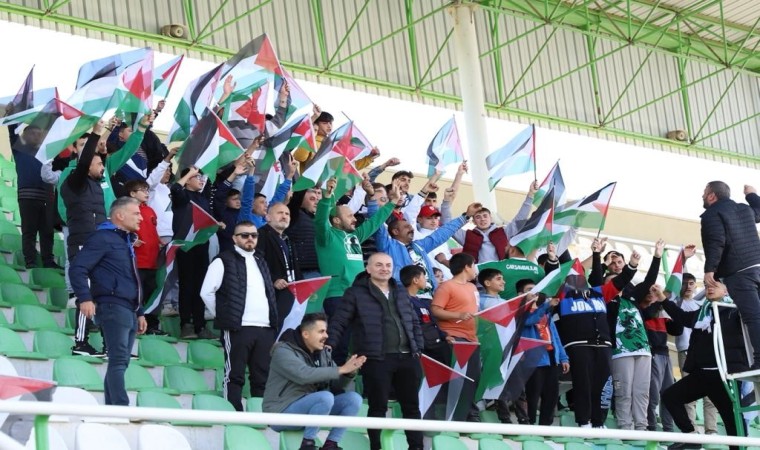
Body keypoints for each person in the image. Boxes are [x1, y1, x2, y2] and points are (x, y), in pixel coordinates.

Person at [326, 253, 424, 450]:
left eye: (388, 265)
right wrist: (330, 343)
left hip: (407, 357)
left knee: (412, 408)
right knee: (377, 407)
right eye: (378, 265)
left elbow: (413, 321)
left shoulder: (401, 291)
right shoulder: (355, 293)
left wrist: (418, 346)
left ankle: (416, 447)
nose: (384, 269)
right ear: (368, 269)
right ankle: (376, 447)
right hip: (376, 358)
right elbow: (339, 321)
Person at [68, 197, 147, 405]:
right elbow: (77, 268)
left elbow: (131, 279)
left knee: (120, 362)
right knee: (119, 360)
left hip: (128, 308)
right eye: (136, 213)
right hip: (113, 306)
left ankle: (112, 409)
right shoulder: (102, 238)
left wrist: (140, 311)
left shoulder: (125, 241)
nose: (141, 217)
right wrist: (85, 298)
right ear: (120, 215)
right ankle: (121, 409)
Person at [657, 282, 749, 450]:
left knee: (732, 419)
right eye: (706, 286)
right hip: (702, 374)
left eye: (714, 285)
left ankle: (740, 448)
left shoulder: (735, 310)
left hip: (724, 375)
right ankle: (691, 436)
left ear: (726, 289)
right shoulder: (703, 312)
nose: (709, 288)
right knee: (670, 396)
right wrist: (663, 299)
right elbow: (682, 317)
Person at [317, 178, 398, 365]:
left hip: (361, 295)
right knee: (340, 343)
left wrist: (392, 202)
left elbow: (375, 222)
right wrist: (327, 197)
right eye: (349, 216)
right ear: (336, 220)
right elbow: (320, 220)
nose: (354, 218)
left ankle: (358, 377)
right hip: (337, 296)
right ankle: (333, 378)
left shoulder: (354, 237)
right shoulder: (326, 236)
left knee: (364, 342)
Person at [200, 221, 278, 411]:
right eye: (244, 235)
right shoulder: (223, 260)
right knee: (234, 374)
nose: (250, 238)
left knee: (262, 376)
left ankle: (262, 416)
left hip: (265, 327)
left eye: (254, 235)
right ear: (234, 238)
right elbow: (206, 292)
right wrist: (226, 316)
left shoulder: (261, 260)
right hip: (238, 327)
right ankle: (233, 414)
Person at [264, 313, 365, 450]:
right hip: (280, 413)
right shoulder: (283, 351)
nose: (326, 336)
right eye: (321, 331)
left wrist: (349, 373)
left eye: (326, 331)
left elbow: (336, 384)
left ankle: (331, 444)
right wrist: (341, 369)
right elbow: (304, 375)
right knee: (324, 397)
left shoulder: (323, 352)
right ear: (306, 334)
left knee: (353, 399)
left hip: (313, 410)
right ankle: (307, 444)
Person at [700, 181, 760, 369]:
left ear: (712, 196)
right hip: (757, 265)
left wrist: (710, 269)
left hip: (739, 272)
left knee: (753, 317)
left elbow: (716, 241)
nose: (702, 196)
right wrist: (751, 195)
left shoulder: (712, 214)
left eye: (704, 193)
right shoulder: (745, 209)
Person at [431, 252, 482, 422]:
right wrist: (458, 315)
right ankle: (454, 417)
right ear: (467, 267)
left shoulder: (472, 287)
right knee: (458, 380)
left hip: (472, 339)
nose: (475, 269)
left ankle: (469, 414)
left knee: (472, 378)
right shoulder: (447, 287)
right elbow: (435, 310)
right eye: (473, 265)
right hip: (454, 338)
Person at [447, 182, 538, 263]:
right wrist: (446, 202)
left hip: (501, 275)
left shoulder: (504, 232)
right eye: (478, 217)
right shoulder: (466, 236)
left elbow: (520, 219)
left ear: (491, 218)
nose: (482, 219)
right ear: (473, 221)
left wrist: (530, 195)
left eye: (485, 216)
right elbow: (447, 226)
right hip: (477, 276)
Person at [674, 273, 719, 434]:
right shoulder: (676, 303)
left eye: (691, 283)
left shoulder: (702, 305)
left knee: (711, 394)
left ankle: (711, 430)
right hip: (686, 351)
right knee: (688, 392)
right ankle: (691, 429)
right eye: (684, 283)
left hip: (705, 353)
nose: (688, 286)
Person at [125, 179, 164, 335]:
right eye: (142, 190)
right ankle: (134, 325)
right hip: (137, 261)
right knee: (137, 295)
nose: (146, 193)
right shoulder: (126, 210)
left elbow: (153, 231)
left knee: (152, 294)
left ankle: (152, 326)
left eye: (147, 190)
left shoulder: (150, 210)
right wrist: (131, 240)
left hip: (153, 261)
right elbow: (120, 230)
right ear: (132, 193)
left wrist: (159, 241)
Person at [256, 202, 301, 329]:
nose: (284, 216)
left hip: (288, 292)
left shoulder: (287, 239)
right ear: (268, 217)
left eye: (287, 214)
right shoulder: (260, 235)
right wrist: (273, 279)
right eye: (280, 213)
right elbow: (256, 261)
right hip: (269, 294)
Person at [401, 264, 452, 365]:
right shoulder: (404, 302)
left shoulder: (422, 301)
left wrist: (444, 336)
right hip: (425, 350)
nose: (426, 280)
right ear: (415, 280)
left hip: (436, 344)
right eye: (424, 277)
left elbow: (433, 322)